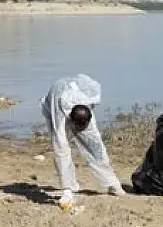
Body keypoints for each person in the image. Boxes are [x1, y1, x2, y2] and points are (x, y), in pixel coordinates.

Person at [40, 74, 125, 210]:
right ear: (72, 121)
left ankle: (112, 184)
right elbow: (61, 151)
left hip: (78, 105)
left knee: (96, 147)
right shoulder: (60, 114)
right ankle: (69, 188)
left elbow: (95, 147)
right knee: (61, 147)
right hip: (56, 107)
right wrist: (66, 191)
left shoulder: (87, 98)